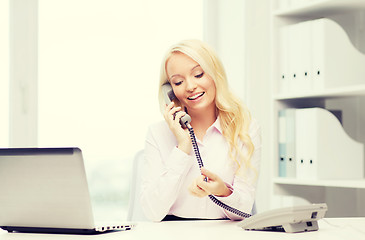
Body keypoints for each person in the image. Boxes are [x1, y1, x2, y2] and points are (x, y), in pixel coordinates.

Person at [140, 39, 261, 222]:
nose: (189, 87)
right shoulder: (157, 134)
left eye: (198, 75)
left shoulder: (245, 128)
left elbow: (243, 212)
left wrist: (222, 191)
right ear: (170, 90)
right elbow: (152, 213)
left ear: (214, 74)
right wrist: (183, 147)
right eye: (178, 82)